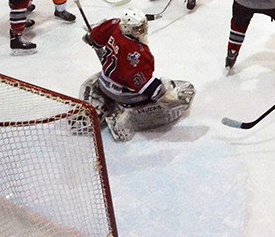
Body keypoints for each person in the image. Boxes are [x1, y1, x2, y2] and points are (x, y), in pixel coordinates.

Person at [81, 8, 195, 141]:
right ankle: (125, 115)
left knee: (103, 79)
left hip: (104, 81)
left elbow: (91, 38)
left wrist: (94, 37)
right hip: (124, 96)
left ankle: (101, 103)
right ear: (127, 28)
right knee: (178, 89)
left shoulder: (114, 24)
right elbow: (145, 86)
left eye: (142, 27)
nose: (142, 31)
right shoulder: (138, 54)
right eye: (137, 29)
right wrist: (167, 95)